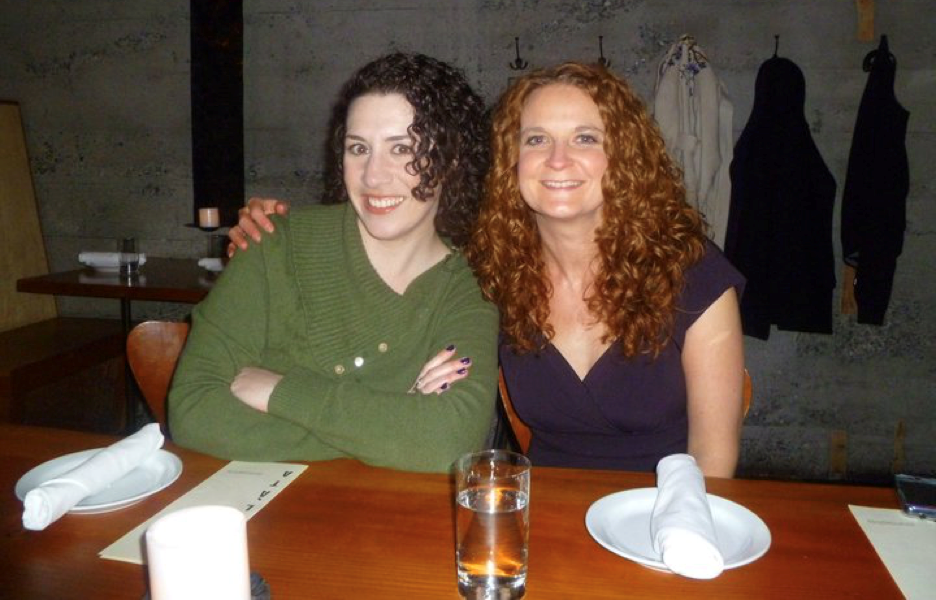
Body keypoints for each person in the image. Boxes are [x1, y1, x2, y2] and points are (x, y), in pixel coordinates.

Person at [230, 62, 746, 478]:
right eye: (536, 139)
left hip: (667, 519)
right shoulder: (490, 271)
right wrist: (277, 233)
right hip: (540, 516)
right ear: (510, 159)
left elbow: (713, 459)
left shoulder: (693, 274)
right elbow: (396, 248)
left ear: (624, 157)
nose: (558, 160)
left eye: (586, 138)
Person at [169, 52, 499, 473]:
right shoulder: (275, 243)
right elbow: (193, 408)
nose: (373, 176)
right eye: (358, 148)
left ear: (451, 160)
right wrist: (393, 428)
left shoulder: (471, 284)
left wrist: (278, 391)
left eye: (403, 149)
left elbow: (448, 441)